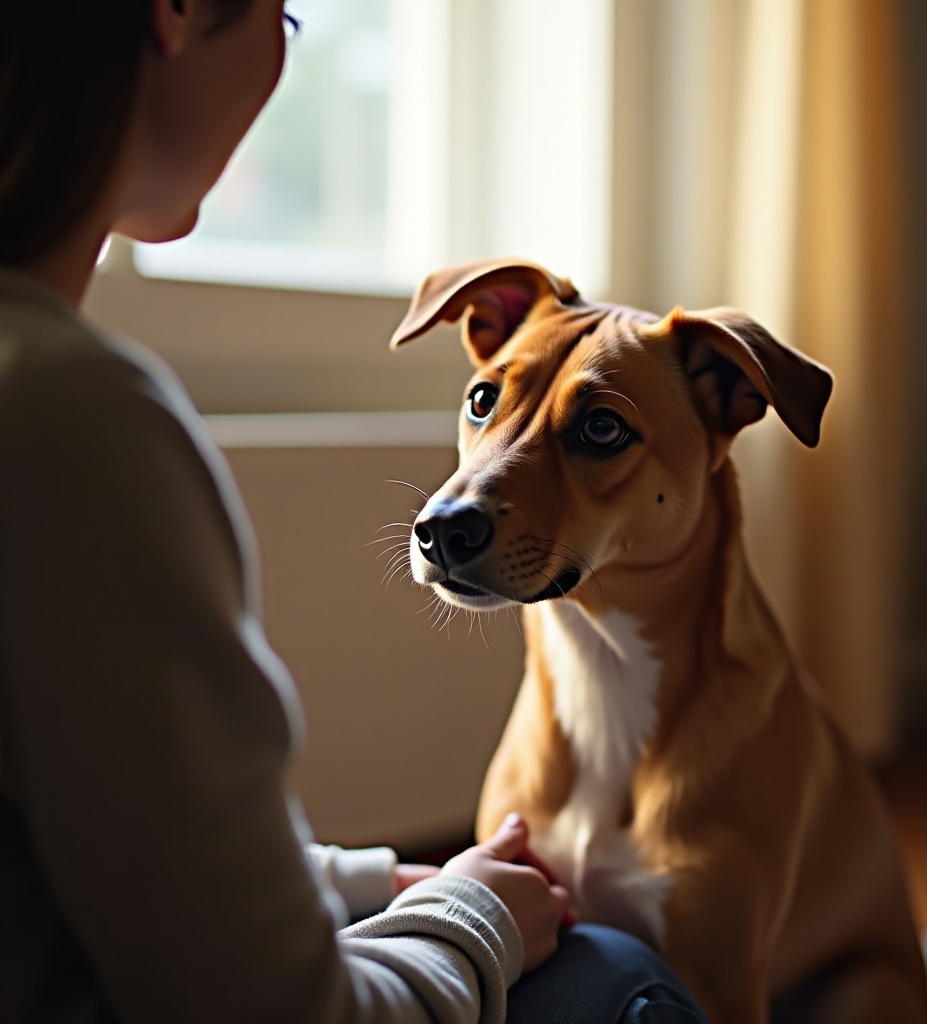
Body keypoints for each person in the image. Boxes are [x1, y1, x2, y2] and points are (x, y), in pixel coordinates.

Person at [0, 2, 709, 1021]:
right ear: (178, 12)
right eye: (284, 13)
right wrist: (477, 919)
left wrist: (379, 887)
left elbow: (118, 849)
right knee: (618, 977)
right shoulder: (73, 417)